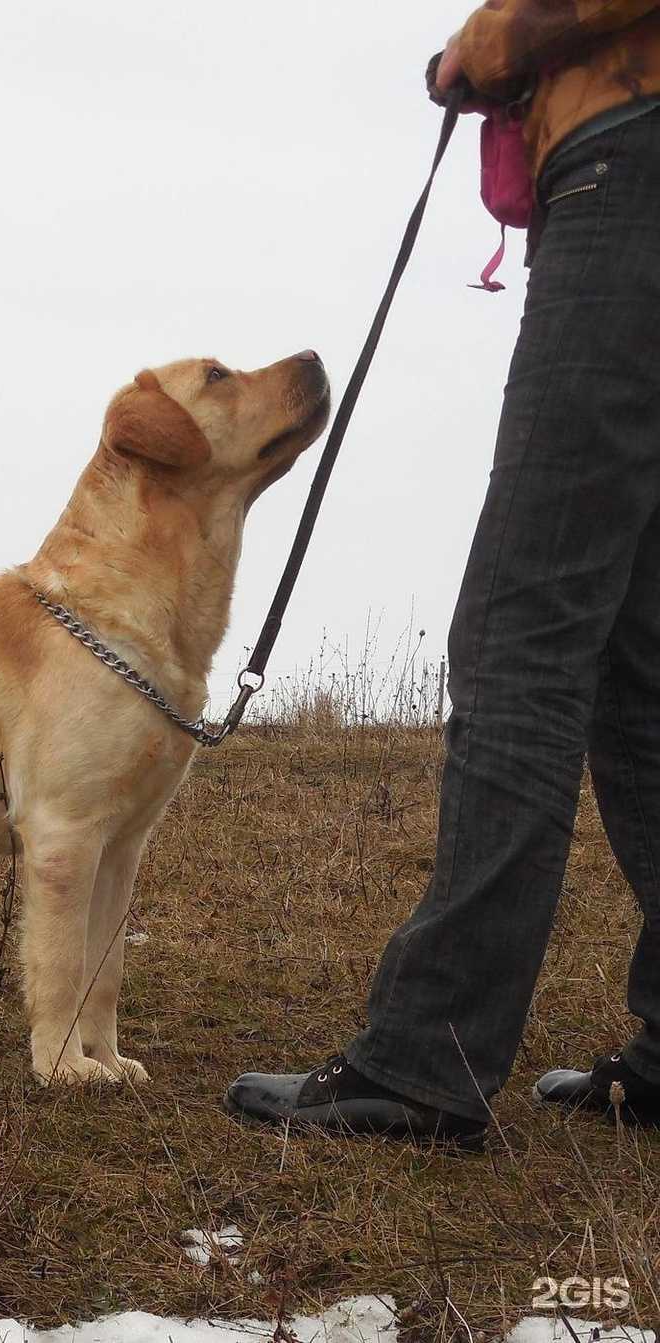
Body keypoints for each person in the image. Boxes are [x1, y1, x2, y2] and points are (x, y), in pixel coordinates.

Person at [226, 1, 660, 1150]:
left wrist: (485, 49)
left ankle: (425, 1061)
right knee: (637, 652)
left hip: (632, 164)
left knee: (523, 633)